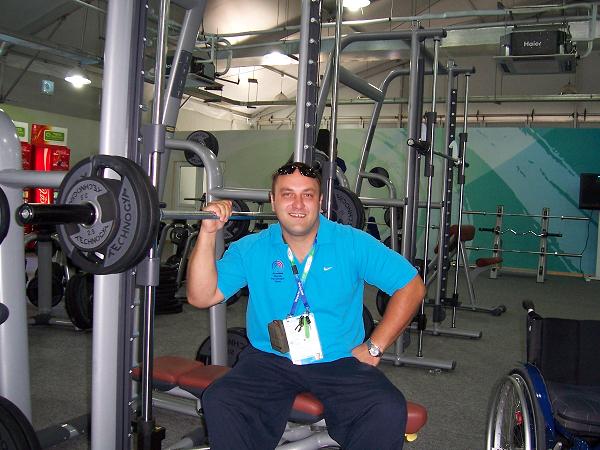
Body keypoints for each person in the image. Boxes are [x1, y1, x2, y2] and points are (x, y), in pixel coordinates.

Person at [187, 161, 426, 450]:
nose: (298, 204)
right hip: (269, 358)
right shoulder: (250, 248)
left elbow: (411, 286)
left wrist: (375, 346)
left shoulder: (352, 243)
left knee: (385, 408)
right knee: (223, 399)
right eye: (288, 194)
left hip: (339, 359)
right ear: (273, 200)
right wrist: (207, 233)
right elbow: (201, 296)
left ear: (320, 201)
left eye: (307, 195)